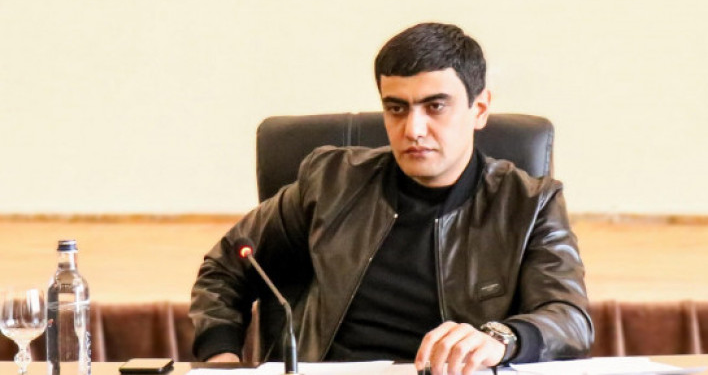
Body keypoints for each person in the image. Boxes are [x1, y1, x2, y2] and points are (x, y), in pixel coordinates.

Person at [190, 23, 593, 374]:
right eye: (396, 108)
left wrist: (501, 338)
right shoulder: (329, 182)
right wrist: (222, 362)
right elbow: (227, 267)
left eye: (435, 106)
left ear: (480, 107)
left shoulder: (529, 203)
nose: (413, 129)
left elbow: (570, 318)